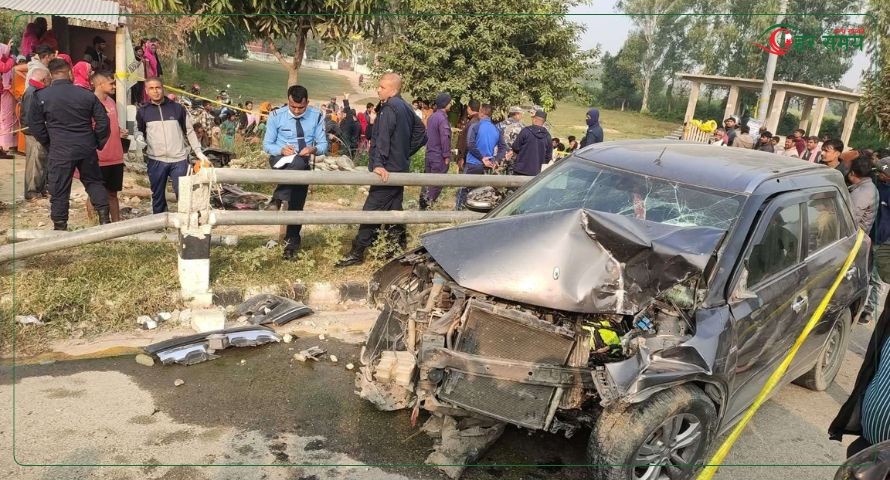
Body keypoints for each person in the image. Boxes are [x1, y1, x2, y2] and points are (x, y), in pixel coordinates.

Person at [335, 72, 426, 267]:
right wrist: (403, 153)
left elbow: (382, 138)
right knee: (394, 209)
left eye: (382, 87)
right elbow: (421, 133)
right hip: (399, 167)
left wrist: (378, 163)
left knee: (371, 210)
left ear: (393, 89)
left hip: (386, 170)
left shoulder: (389, 108)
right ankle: (395, 250)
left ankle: (357, 252)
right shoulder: (406, 107)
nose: (378, 89)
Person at [28, 59, 111, 229]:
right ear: (71, 73)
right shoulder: (87, 95)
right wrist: (96, 141)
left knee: (59, 188)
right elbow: (103, 122)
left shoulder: (41, 96)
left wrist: (49, 143)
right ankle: (104, 219)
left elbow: (35, 125)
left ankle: (60, 226)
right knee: (94, 182)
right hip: (86, 147)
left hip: (60, 149)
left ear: (50, 76)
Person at [262, 84, 328, 259]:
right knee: (297, 163)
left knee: (297, 205)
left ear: (308, 102)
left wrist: (312, 149)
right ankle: (279, 197)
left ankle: (291, 244)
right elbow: (267, 145)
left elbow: (323, 145)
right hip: (280, 160)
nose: (297, 111)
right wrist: (281, 150)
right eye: (293, 106)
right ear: (288, 101)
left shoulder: (316, 116)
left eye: (301, 107)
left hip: (303, 163)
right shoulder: (276, 116)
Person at [136, 78, 208, 214]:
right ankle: (161, 225)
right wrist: (138, 137)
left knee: (184, 194)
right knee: (157, 195)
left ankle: (186, 225)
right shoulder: (143, 111)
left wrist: (198, 152)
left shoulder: (177, 108)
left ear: (163, 88)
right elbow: (138, 130)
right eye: (151, 88)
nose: (155, 91)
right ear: (146, 91)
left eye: (158, 87)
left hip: (179, 159)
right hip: (156, 159)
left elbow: (189, 131)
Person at [81, 70, 127, 222]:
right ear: (100, 84)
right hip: (97, 158)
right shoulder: (87, 103)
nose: (114, 86)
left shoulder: (112, 102)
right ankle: (94, 224)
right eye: (111, 83)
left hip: (115, 157)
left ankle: (116, 226)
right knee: (95, 193)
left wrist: (120, 132)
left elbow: (113, 126)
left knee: (113, 194)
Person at [456, 103, 506, 210]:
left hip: (473, 163)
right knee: (481, 193)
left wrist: (481, 158)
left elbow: (470, 144)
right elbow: (503, 148)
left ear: (481, 113)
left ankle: (458, 213)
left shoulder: (476, 126)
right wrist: (496, 160)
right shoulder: (496, 129)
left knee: (463, 190)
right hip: (488, 166)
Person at [419, 92, 452, 210]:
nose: (451, 105)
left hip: (430, 154)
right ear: (445, 104)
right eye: (449, 102)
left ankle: (422, 205)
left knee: (427, 181)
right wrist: (447, 155)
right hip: (439, 157)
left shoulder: (432, 117)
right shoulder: (442, 119)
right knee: (436, 183)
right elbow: (445, 138)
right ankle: (428, 207)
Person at [22, 66, 49, 199]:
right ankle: (32, 192)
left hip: (38, 131)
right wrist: (39, 132)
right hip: (33, 132)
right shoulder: (33, 93)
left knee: (41, 162)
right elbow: (29, 117)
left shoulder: (37, 91)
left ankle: (39, 189)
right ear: (44, 79)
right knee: (34, 163)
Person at [511, 109, 553, 176]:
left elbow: (515, 147)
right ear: (544, 122)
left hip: (521, 170)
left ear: (534, 119)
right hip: (537, 173)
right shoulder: (547, 136)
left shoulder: (526, 131)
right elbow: (548, 157)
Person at [0, 42, 15, 159]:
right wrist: (11, 59)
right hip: (4, 91)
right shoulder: (7, 62)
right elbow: (4, 68)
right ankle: (3, 147)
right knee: (4, 119)